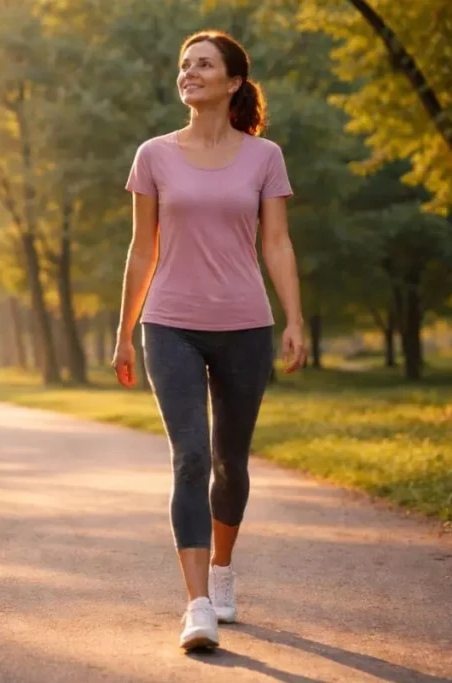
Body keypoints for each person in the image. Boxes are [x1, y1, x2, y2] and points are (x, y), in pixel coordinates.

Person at [112, 29, 307, 652]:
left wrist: (295, 319)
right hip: (170, 322)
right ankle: (197, 605)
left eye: (203, 64)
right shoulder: (154, 155)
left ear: (233, 82)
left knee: (230, 461)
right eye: (184, 65)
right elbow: (142, 250)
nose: (189, 73)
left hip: (245, 326)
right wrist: (124, 332)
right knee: (190, 456)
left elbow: (276, 242)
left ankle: (222, 570)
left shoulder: (265, 156)